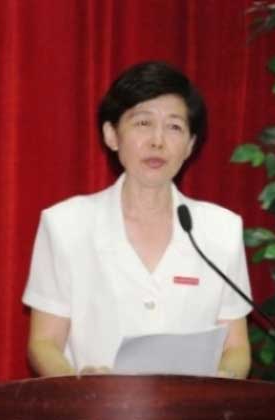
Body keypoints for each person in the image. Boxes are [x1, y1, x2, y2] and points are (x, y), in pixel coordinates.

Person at [22, 61, 252, 378]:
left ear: (190, 145)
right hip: (97, 403)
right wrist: (81, 387)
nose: (158, 141)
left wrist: (223, 381)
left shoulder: (222, 229)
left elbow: (236, 348)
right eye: (143, 123)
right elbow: (44, 343)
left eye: (174, 127)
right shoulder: (65, 224)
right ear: (111, 135)